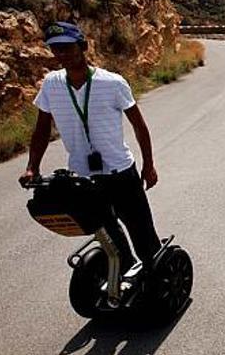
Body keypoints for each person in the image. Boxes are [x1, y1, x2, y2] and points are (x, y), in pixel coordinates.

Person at [19, 21, 161, 271]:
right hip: (83, 180)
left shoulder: (113, 83)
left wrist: (148, 166)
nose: (62, 54)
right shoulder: (52, 84)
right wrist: (32, 167)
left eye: (67, 47)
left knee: (143, 236)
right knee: (108, 235)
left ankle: (157, 278)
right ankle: (126, 276)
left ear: (83, 47)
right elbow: (41, 130)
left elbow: (140, 127)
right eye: (56, 49)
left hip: (121, 174)